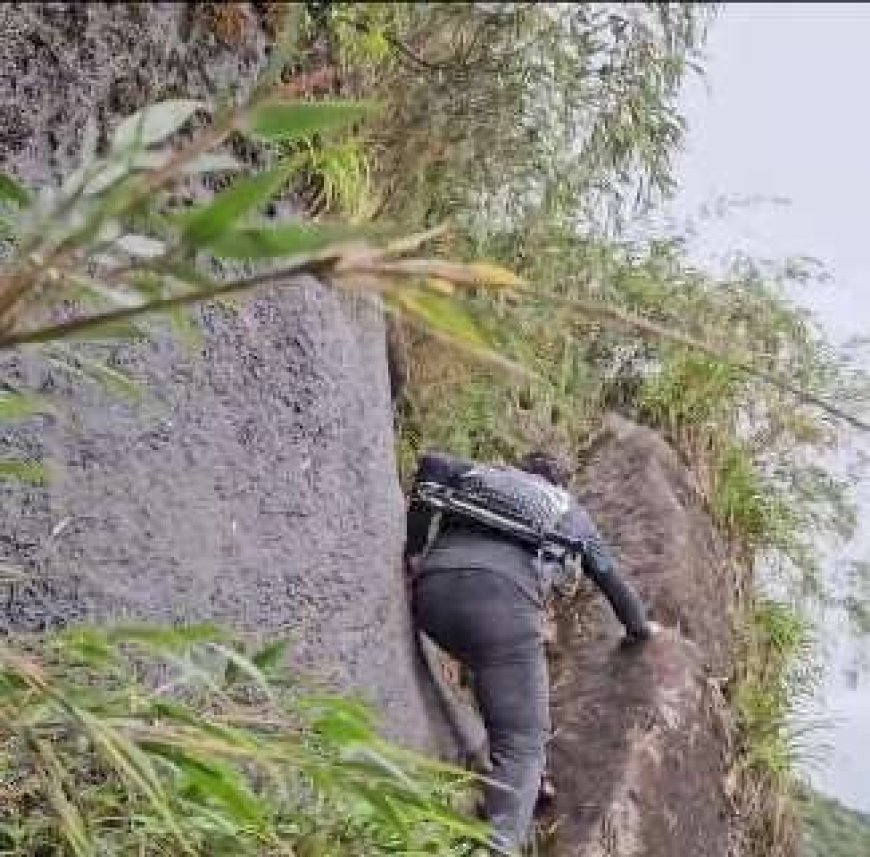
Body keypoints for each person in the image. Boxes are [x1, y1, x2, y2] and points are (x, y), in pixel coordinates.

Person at [405, 449, 658, 854]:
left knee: (492, 672)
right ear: (559, 484)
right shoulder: (568, 512)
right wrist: (640, 630)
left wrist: (415, 551)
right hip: (502, 609)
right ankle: (500, 845)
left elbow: (431, 467)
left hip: (432, 596)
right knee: (523, 741)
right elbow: (615, 585)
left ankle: (532, 784)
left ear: (521, 470)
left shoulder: (483, 475)